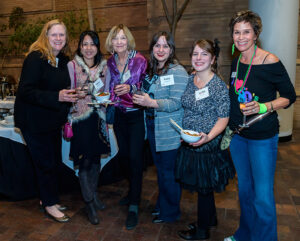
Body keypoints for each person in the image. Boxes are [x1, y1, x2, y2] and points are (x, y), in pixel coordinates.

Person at [225, 10, 296, 241]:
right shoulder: (237, 61)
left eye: (246, 31)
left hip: (262, 138)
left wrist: (264, 107)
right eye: (237, 32)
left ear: (256, 34)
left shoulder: (270, 61)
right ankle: (245, 234)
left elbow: (289, 96)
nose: (241, 37)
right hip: (238, 136)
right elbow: (234, 94)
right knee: (245, 192)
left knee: (262, 196)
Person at [14, 19, 76, 223]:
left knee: (53, 161)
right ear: (46, 36)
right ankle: (50, 205)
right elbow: (25, 91)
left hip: (51, 121)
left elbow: (61, 89)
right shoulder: (36, 58)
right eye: (54, 34)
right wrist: (57, 97)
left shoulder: (64, 60)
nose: (58, 38)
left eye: (62, 35)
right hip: (33, 121)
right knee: (45, 164)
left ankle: (48, 198)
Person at [174, 39, 235, 240]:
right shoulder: (191, 79)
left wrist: (208, 137)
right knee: (204, 187)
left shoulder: (217, 85)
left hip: (207, 144)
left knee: (203, 187)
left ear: (213, 59)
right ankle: (210, 219)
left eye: (204, 54)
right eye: (195, 54)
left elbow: (224, 118)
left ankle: (202, 231)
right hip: (190, 140)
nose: (199, 58)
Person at [133, 31, 188, 224]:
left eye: (165, 46)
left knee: (169, 173)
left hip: (169, 129)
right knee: (162, 171)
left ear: (171, 49)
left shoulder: (177, 71)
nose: (161, 50)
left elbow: (177, 102)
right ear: (152, 48)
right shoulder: (152, 70)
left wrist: (151, 102)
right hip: (153, 127)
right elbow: (147, 94)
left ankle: (170, 212)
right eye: (157, 45)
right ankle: (162, 206)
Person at [105, 24, 147, 230]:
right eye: (115, 38)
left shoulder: (139, 60)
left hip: (136, 114)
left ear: (128, 40)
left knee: (135, 158)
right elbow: (110, 87)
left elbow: (147, 86)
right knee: (123, 157)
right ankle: (132, 191)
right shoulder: (110, 62)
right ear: (111, 42)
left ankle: (134, 204)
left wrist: (131, 87)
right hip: (119, 115)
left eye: (122, 38)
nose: (119, 42)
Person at [67, 30, 110, 225]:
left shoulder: (105, 66)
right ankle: (89, 202)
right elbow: (67, 93)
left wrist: (106, 97)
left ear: (97, 46)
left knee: (96, 159)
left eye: (92, 44)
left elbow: (107, 91)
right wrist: (78, 92)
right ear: (80, 46)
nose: (89, 48)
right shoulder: (72, 65)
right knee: (84, 162)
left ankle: (93, 194)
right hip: (80, 118)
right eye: (85, 44)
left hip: (98, 117)